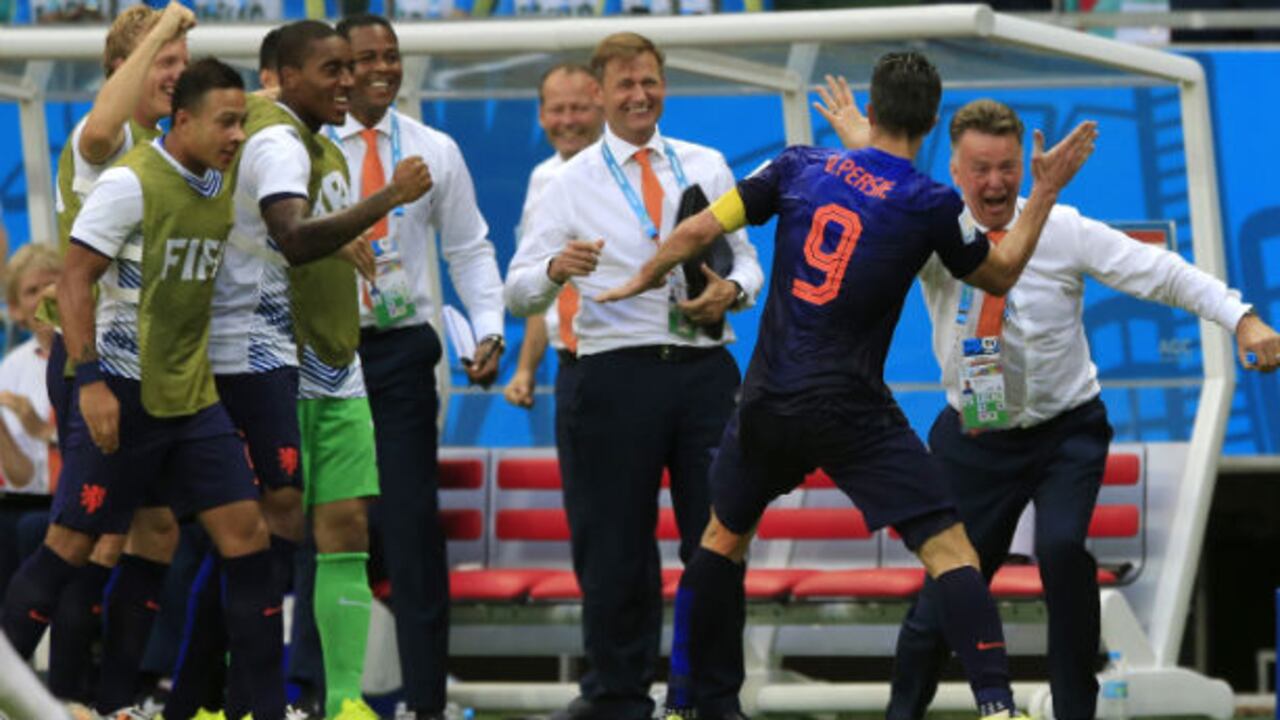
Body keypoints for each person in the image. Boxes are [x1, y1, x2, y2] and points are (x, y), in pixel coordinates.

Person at [598, 52, 1097, 720]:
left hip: (769, 399)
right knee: (952, 551)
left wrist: (635, 280)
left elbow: (698, 229)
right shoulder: (932, 203)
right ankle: (998, 705)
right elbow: (1001, 271)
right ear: (932, 121)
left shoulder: (798, 165)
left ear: (871, 106)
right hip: (848, 407)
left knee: (719, 539)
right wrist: (1046, 190)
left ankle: (683, 704)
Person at [812, 93, 1280, 720]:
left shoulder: (1063, 228)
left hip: (1066, 433)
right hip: (974, 439)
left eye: (1006, 167)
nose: (995, 181)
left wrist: (1243, 318)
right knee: (942, 600)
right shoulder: (932, 227)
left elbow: (1160, 272)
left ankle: (1075, 711)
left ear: (1023, 167)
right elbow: (868, 223)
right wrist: (869, 154)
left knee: (1062, 550)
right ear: (954, 170)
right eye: (979, 168)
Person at [2, 57, 291, 720]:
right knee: (72, 544)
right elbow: (73, 282)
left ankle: (266, 711)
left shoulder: (222, 167)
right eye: (224, 123)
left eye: (240, 122)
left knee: (247, 534)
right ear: (181, 121)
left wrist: (266, 94)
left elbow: (263, 100)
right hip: (121, 392)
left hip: (192, 397)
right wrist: (94, 382)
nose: (238, 134)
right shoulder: (128, 185)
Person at [505, 31, 764, 720]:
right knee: (614, 543)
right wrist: (555, 271)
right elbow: (517, 291)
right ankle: (617, 695)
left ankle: (714, 697)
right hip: (611, 376)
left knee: (717, 538)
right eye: (624, 85)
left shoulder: (705, 163)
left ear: (663, 84)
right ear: (600, 94)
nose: (639, 95)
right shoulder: (566, 184)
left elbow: (749, 262)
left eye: (649, 81)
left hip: (705, 372)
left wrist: (732, 294)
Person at [196, 19, 430, 720]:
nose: (348, 81)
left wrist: (349, 233)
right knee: (263, 530)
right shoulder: (272, 139)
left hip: (334, 358)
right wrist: (386, 199)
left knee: (348, 524)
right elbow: (293, 239)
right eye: (331, 70)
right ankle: (224, 698)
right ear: (283, 75)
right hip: (272, 359)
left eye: (349, 69)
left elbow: (305, 233)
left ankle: (347, 699)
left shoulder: (311, 142)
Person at [317, 15, 505, 720]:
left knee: (411, 527)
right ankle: (317, 696)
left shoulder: (436, 148)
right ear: (336, 68)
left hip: (399, 354)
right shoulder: (304, 148)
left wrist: (488, 326)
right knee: (325, 527)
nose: (380, 69)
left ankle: (427, 705)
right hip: (325, 352)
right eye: (363, 58)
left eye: (391, 56)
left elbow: (470, 249)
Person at [38, 2, 193, 709]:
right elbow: (102, 127)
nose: (176, 74)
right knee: (87, 539)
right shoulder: (97, 135)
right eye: (165, 61)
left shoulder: (168, 146)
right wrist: (159, 26)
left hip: (152, 368)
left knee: (153, 531)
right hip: (92, 360)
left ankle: (113, 700)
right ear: (124, 70)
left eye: (182, 63)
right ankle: (46, 695)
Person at [503, 62, 603, 411]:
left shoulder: (626, 171)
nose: (568, 120)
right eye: (557, 109)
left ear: (602, 106)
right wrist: (525, 370)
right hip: (570, 365)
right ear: (542, 115)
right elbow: (540, 281)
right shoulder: (542, 178)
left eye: (579, 108)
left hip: (621, 359)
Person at [0, 245, 61, 601]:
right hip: (29, 500)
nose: (43, 298)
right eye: (31, 291)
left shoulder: (92, 352)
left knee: (30, 527)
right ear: (17, 311)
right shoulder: (11, 370)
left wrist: (44, 432)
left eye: (51, 286)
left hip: (79, 498)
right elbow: (21, 478)